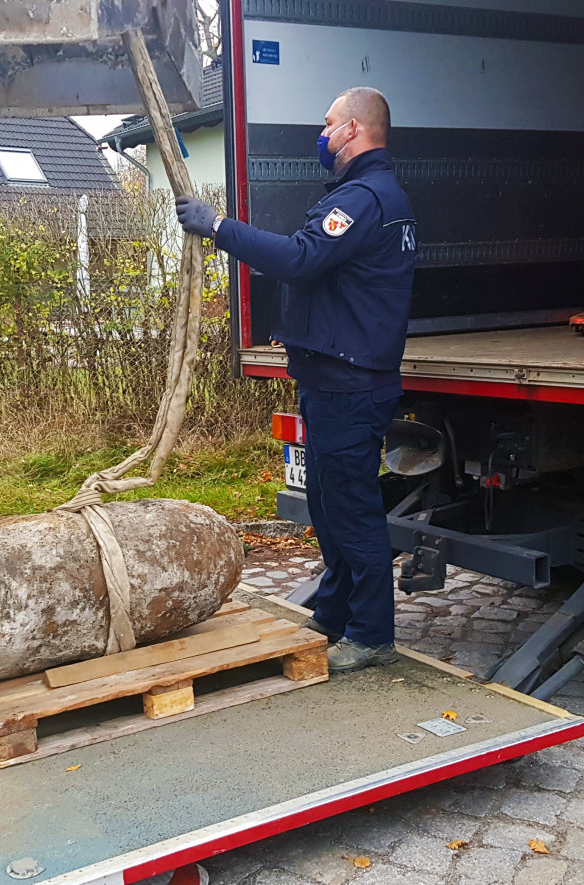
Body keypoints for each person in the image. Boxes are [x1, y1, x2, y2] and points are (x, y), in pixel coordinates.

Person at [176, 86, 417, 673]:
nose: (322, 133)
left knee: (352, 510)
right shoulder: (365, 195)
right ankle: (333, 613)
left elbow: (301, 258)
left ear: (355, 130)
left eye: (329, 123)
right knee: (328, 506)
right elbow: (330, 277)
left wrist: (219, 227)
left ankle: (371, 634)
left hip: (349, 386)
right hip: (332, 376)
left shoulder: (364, 198)